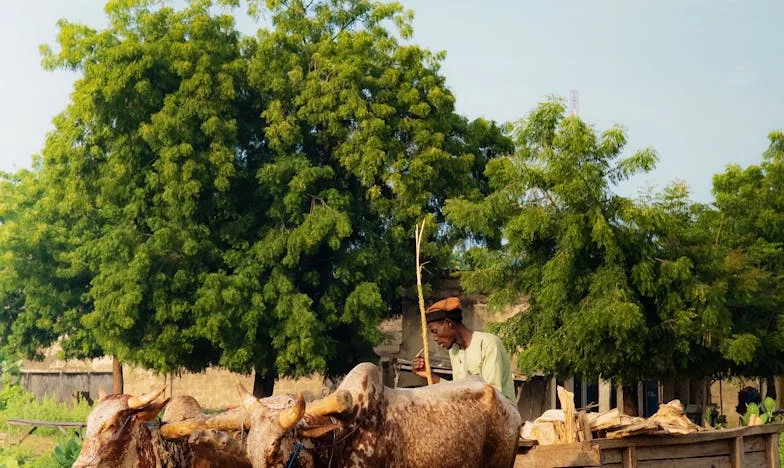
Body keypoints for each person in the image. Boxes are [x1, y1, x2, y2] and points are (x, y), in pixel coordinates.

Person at [412, 297, 516, 401]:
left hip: (501, 413)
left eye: (435, 331)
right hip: (473, 411)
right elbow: (457, 390)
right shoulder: (454, 351)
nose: (435, 338)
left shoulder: (488, 343)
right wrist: (429, 374)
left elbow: (492, 394)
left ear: (449, 323)